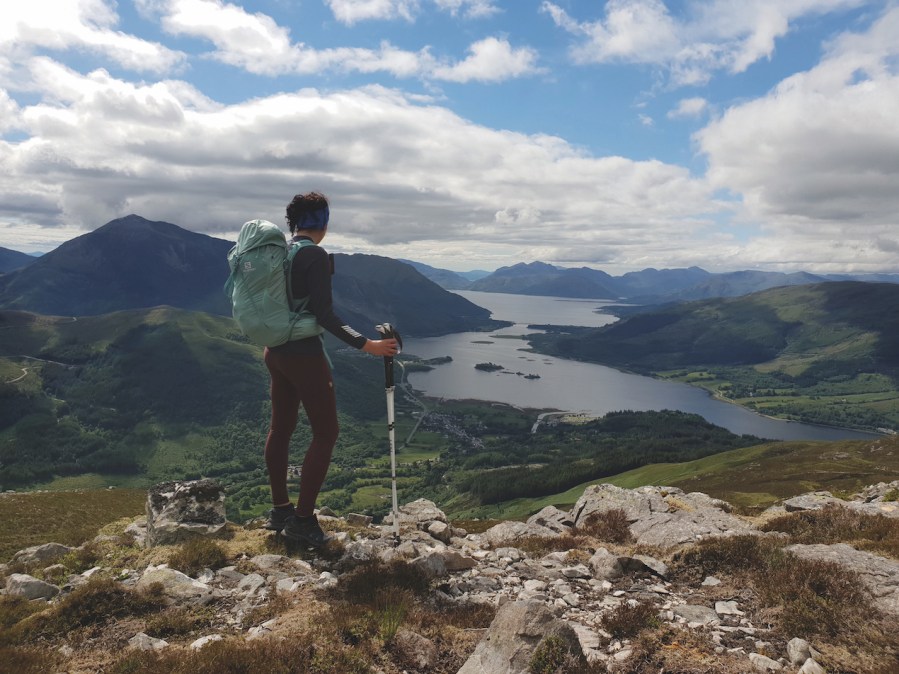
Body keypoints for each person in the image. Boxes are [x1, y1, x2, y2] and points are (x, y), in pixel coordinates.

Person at [263, 191, 398, 547]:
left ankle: (280, 510)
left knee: (281, 428)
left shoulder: (280, 252)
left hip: (274, 350)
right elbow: (325, 315)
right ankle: (303, 521)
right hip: (304, 355)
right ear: (322, 222)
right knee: (326, 433)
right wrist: (367, 345)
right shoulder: (315, 255)